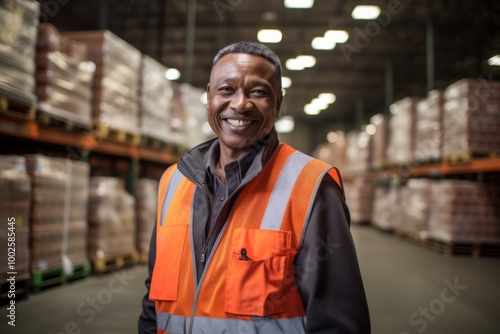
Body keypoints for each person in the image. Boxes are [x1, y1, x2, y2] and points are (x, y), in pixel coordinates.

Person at [138, 41, 371, 334]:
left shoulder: (312, 187)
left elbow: (338, 320)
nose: (240, 104)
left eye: (258, 92)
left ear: (278, 103)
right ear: (208, 96)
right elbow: (153, 302)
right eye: (226, 90)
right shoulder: (174, 181)